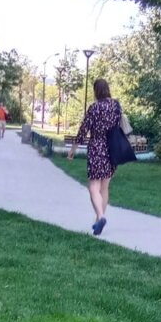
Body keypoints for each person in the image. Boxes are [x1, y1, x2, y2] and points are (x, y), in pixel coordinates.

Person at [68, 78, 124, 236]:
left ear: (96, 91)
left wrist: (73, 148)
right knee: (105, 187)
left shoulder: (94, 108)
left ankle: (100, 217)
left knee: (93, 186)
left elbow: (83, 128)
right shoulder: (116, 106)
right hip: (111, 148)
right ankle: (99, 219)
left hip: (96, 148)